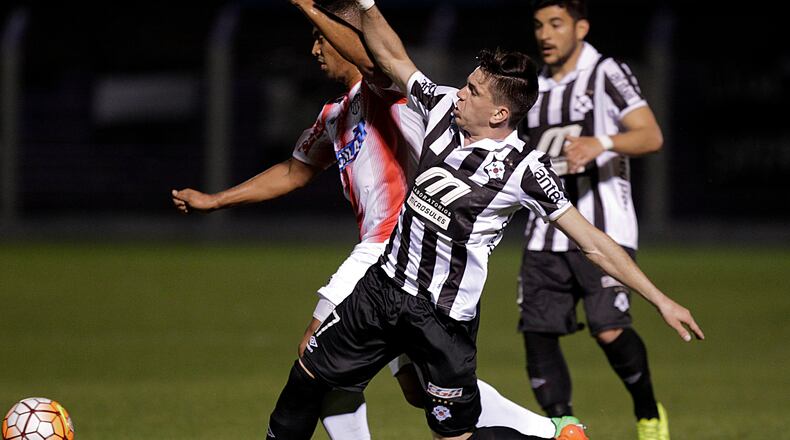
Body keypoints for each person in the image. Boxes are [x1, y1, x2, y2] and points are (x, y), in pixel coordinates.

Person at [265, 1, 704, 439]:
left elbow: (591, 242)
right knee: (306, 381)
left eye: (472, 91)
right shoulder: (439, 109)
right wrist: (367, 6)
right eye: (467, 85)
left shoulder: (525, 170)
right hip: (381, 291)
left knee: (455, 435)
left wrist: (660, 299)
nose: (460, 92)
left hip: (441, 319)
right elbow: (393, 57)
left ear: (499, 114)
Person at [175, 2, 575, 439]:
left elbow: (373, 57)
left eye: (321, 37)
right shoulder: (334, 115)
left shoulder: (387, 93)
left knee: (316, 355)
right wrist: (216, 200)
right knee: (419, 389)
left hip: (397, 249)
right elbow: (294, 171)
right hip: (389, 262)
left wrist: (311, 6)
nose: (315, 49)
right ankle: (552, 432)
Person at [516, 1, 670, 439]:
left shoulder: (606, 72)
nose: (545, 34)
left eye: (556, 24)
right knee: (538, 333)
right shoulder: (534, 85)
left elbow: (651, 134)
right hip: (544, 231)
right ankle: (567, 427)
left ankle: (648, 414)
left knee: (609, 330)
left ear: (581, 27)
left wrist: (600, 143)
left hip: (605, 229)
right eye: (539, 25)